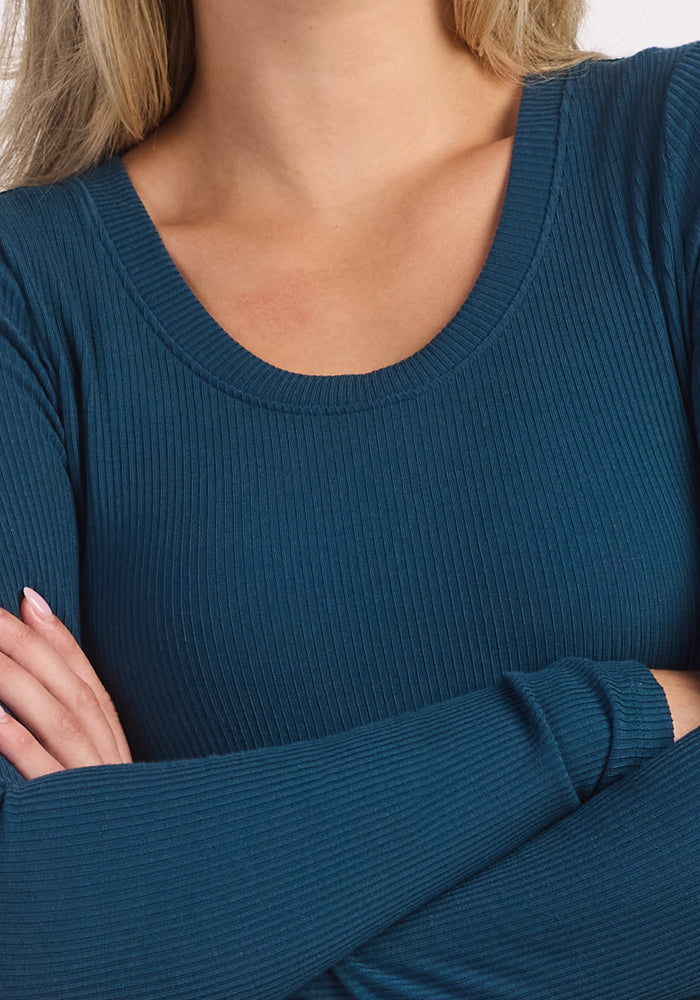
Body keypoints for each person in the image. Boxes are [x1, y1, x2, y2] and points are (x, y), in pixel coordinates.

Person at [0, 0, 698, 996]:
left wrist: (164, 907)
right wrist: (601, 724)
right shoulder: (27, 298)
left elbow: (84, 943)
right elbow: (23, 915)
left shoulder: (672, 149)